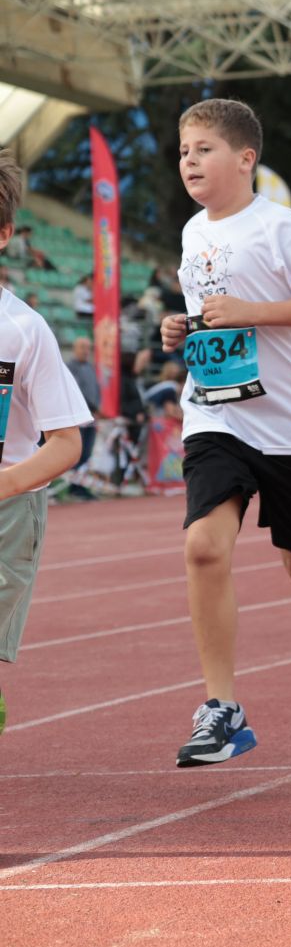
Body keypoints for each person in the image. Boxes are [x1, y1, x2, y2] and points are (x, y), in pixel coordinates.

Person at [158, 99, 291, 768]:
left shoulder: (282, 227)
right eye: (184, 150)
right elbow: (215, 318)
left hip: (290, 424)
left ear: (245, 158)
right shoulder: (193, 235)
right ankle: (221, 707)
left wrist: (254, 312)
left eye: (203, 149)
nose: (189, 160)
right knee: (202, 547)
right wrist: (183, 329)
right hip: (216, 414)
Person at [0, 151, 94, 735]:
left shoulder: (22, 328)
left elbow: (65, 443)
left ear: (4, 235)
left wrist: (6, 484)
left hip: (8, 506)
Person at [65, 335, 100, 487]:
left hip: (91, 418)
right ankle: (73, 487)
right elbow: (75, 392)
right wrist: (92, 407)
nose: (86, 351)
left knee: (87, 454)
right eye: (82, 347)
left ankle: (81, 485)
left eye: (88, 348)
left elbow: (96, 389)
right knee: (76, 453)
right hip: (78, 417)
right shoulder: (69, 367)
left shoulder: (91, 368)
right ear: (74, 349)